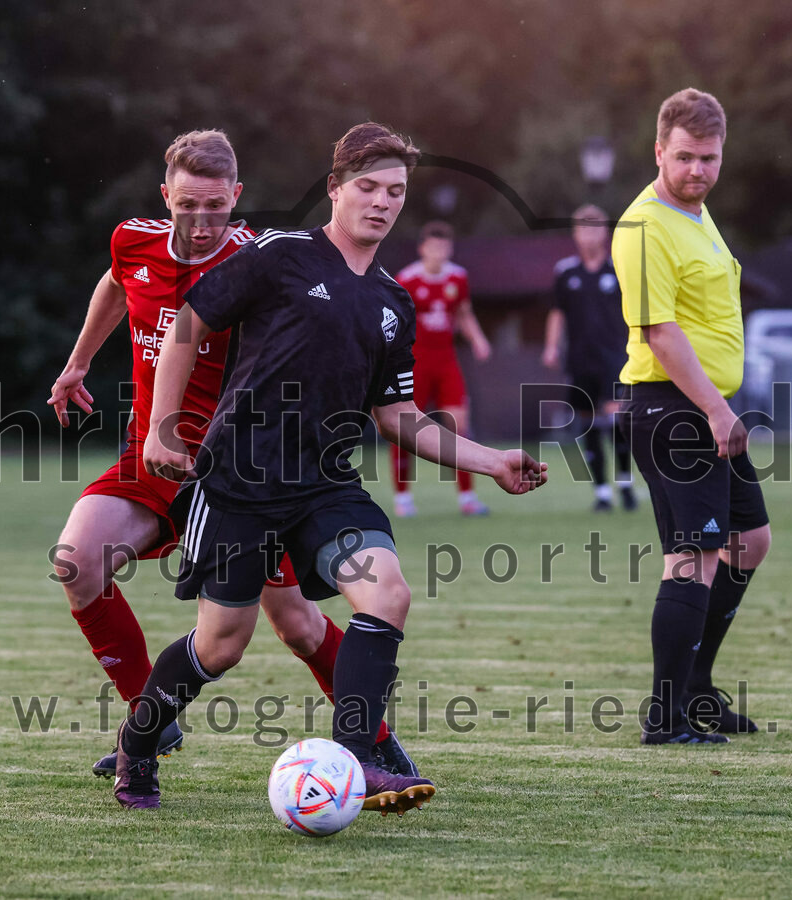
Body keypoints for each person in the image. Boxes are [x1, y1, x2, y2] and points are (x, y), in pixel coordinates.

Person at [115, 122, 547, 812]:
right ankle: (138, 747)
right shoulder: (283, 254)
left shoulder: (393, 302)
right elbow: (189, 325)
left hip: (325, 484)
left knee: (388, 594)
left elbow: (398, 418)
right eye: (368, 187)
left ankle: (356, 757)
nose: (381, 201)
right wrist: (163, 427)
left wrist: (491, 460)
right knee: (221, 645)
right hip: (241, 479)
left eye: (395, 191)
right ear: (336, 189)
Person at [48, 129, 416, 780]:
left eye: (215, 206)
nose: (200, 220)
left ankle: (375, 742)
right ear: (166, 196)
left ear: (236, 199)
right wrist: (78, 363)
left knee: (296, 627)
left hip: (232, 469)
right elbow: (115, 282)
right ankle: (150, 723)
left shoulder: (260, 259)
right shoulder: (133, 239)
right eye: (187, 205)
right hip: (148, 455)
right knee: (78, 563)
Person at [612, 89, 771, 745]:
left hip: (703, 409)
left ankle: (697, 688)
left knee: (749, 540)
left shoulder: (698, 216)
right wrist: (715, 408)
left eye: (709, 158)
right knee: (694, 556)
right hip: (676, 411)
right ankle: (666, 717)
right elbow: (659, 332)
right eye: (684, 157)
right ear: (658, 151)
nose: (698, 170)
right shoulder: (644, 225)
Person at [390, 221, 492, 517]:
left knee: (459, 427)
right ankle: (403, 498)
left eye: (445, 248)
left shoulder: (458, 278)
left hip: (447, 361)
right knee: (406, 429)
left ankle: (467, 497)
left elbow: (464, 313)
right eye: (434, 247)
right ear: (423, 249)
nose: (439, 253)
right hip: (415, 362)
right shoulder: (406, 279)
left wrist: (478, 339)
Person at [542, 204, 636, 512]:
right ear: (575, 234)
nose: (588, 235)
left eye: (594, 228)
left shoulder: (618, 269)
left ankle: (625, 482)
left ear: (605, 233)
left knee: (616, 419)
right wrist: (552, 346)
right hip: (580, 360)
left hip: (614, 358)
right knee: (588, 423)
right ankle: (602, 492)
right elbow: (556, 313)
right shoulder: (565, 271)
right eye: (582, 229)